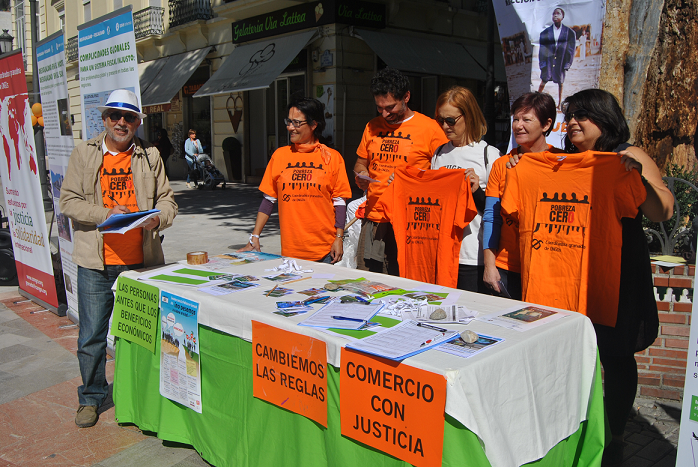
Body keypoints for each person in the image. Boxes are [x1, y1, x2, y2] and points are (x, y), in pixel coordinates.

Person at [508, 89, 673, 466]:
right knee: (566, 354)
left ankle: (614, 436)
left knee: (615, 356)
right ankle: (567, 424)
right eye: (571, 115)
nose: (574, 122)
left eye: (584, 114)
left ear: (606, 118)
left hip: (616, 271)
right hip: (564, 272)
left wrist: (640, 181)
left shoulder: (627, 157)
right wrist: (523, 169)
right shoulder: (560, 161)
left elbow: (663, 209)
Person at [59, 89, 177, 428]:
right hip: (96, 262)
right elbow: (68, 201)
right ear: (104, 119)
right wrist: (105, 214)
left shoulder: (150, 156)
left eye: (129, 117)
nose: (121, 122)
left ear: (139, 121)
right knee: (92, 335)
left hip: (141, 262)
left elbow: (168, 200)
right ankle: (91, 398)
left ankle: (142, 393)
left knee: (144, 333)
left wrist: (157, 218)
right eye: (115, 116)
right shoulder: (84, 153)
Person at [354, 68, 447, 275]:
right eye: (379, 108)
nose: (385, 114)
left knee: (406, 282)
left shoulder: (430, 129)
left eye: (390, 107)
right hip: (375, 217)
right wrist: (361, 176)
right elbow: (360, 162)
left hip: (411, 221)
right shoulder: (371, 126)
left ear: (406, 97)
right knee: (368, 281)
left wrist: (413, 180)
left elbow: (442, 177)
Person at [239, 97, 351, 263]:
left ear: (314, 124)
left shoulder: (332, 158)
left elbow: (339, 202)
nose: (290, 127)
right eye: (289, 121)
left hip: (326, 252)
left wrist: (339, 238)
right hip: (291, 252)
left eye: (297, 123)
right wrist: (254, 237)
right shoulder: (280, 156)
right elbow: (268, 200)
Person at [482, 92, 559, 299]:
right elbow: (491, 217)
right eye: (515, 119)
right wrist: (489, 266)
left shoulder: (561, 163)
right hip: (507, 265)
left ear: (546, 124)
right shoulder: (502, 164)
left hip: (547, 266)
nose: (518, 125)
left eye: (526, 119)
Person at [430, 86, 501, 293]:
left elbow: (496, 212)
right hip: (443, 251)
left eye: (451, 120)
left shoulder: (488, 154)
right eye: (440, 120)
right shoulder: (439, 154)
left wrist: (476, 190)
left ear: (468, 115)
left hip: (473, 254)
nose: (445, 126)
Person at [538, 8, 576, 108]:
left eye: (558, 14)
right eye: (554, 14)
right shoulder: (545, 33)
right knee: (544, 81)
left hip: (560, 62)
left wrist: (567, 63)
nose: (555, 15)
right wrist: (543, 64)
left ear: (562, 17)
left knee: (560, 82)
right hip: (549, 62)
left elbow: (571, 50)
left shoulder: (569, 33)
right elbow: (542, 50)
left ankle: (559, 104)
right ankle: (536, 99)